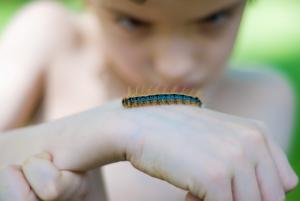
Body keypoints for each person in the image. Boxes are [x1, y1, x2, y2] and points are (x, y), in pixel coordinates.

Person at [0, 0, 298, 200]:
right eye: (132, 22)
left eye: (215, 17)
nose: (175, 65)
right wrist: (109, 128)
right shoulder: (47, 35)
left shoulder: (265, 97)